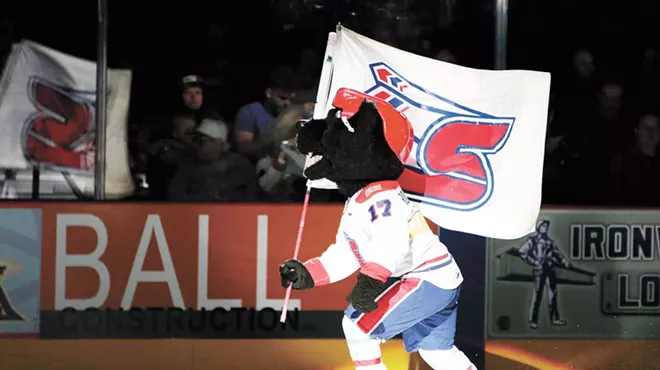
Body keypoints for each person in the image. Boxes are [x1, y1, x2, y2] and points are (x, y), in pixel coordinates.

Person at [278, 89, 476, 370]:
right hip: (440, 277)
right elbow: (347, 253)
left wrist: (369, 284)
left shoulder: (381, 198)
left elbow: (391, 244)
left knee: (357, 326)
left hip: (426, 277)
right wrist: (310, 273)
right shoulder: (362, 198)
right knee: (438, 354)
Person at [168, 118, 257, 202]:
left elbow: (253, 196)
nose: (200, 145)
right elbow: (175, 196)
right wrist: (204, 199)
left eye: (208, 141)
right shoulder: (188, 164)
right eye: (198, 140)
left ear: (221, 144)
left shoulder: (241, 164)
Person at [517, 220, 570, 329]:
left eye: (546, 226)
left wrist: (564, 261)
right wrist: (534, 261)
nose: (545, 228)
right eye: (543, 226)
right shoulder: (533, 240)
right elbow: (522, 251)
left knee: (553, 294)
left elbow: (558, 253)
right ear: (539, 227)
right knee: (537, 294)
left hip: (550, 269)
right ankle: (533, 320)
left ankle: (554, 319)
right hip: (539, 269)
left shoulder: (550, 242)